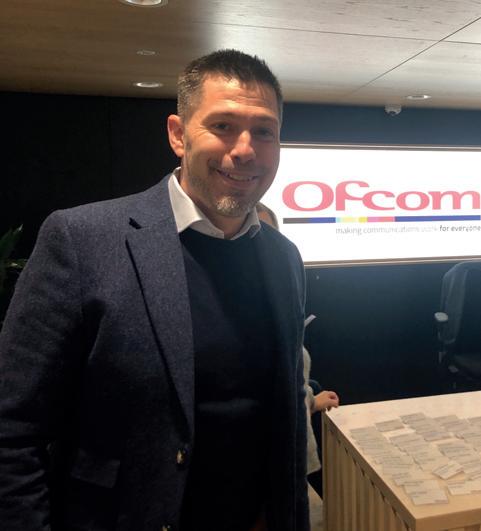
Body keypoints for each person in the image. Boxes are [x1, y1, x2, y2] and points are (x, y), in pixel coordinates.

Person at [0, 50, 308, 531]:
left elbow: (284, 422)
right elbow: (13, 428)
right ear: (178, 135)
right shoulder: (82, 240)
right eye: (223, 126)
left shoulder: (283, 258)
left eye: (264, 131)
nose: (246, 149)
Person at [256, 203, 339, 495]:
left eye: (269, 236)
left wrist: (311, 401)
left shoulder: (278, 294)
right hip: (257, 468)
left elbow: (286, 382)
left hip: (290, 457)